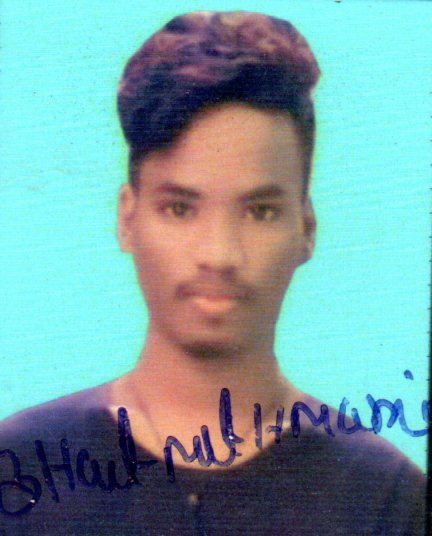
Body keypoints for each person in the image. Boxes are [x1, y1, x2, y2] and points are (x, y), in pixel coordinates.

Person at [0, 11, 426, 535]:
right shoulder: (18, 468)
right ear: (128, 219)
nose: (219, 254)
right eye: (180, 208)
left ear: (306, 228)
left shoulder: (386, 500)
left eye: (260, 211)